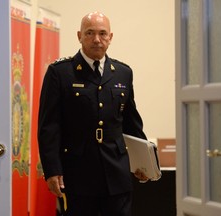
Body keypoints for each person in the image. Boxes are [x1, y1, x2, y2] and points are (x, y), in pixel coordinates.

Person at [38, 11, 148, 216]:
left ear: (110, 37)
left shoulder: (123, 72)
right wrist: (52, 170)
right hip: (78, 172)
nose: (96, 39)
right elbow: (49, 126)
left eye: (102, 33)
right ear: (79, 36)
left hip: (117, 173)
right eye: (89, 33)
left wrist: (145, 163)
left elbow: (132, 123)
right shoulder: (60, 72)